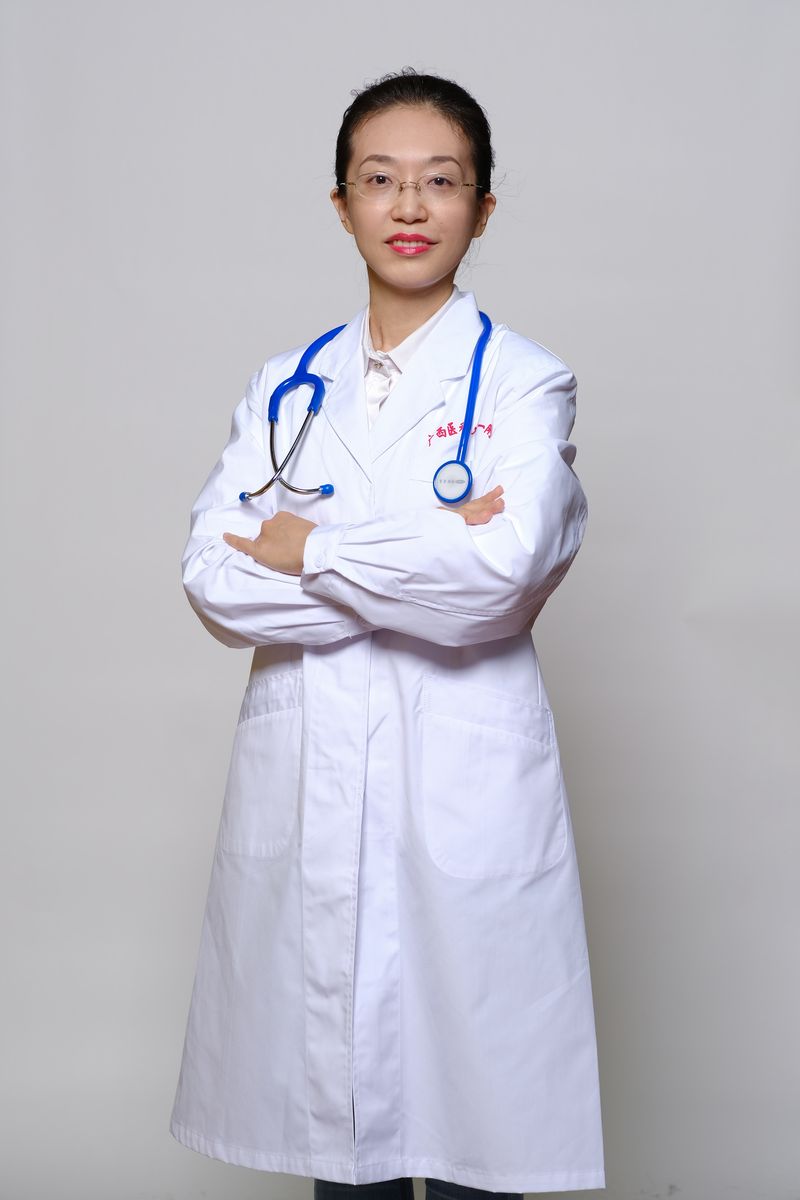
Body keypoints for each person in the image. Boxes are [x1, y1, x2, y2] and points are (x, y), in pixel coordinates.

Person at [169, 69, 605, 1199]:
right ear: (341, 204)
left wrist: (308, 546)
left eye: (441, 181)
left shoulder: (524, 383)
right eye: (379, 180)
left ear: (483, 208)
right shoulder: (286, 389)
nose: (409, 206)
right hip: (310, 798)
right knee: (341, 1150)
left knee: (469, 1144)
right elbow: (213, 581)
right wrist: (423, 551)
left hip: (457, 810)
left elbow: (497, 583)